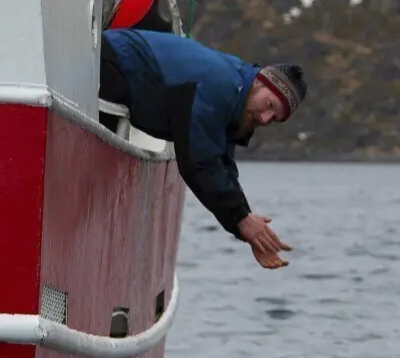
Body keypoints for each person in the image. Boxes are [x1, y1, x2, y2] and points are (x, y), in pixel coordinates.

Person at [99, 28, 309, 269]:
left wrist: (246, 225)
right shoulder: (220, 85)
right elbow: (198, 161)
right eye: (269, 105)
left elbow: (222, 165)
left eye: (274, 118)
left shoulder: (237, 96)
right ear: (259, 82)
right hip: (112, 59)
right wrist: (241, 220)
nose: (264, 118)